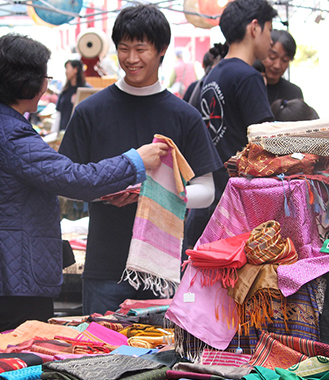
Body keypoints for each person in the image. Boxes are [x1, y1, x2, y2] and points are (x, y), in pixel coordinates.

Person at [0, 33, 169, 334]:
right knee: (19, 366)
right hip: (14, 283)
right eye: (45, 77)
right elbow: (77, 179)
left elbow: (12, 192)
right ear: (27, 83)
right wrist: (135, 160)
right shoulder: (14, 138)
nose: (46, 85)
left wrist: (105, 195)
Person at [59, 4, 221, 315]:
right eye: (124, 49)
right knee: (100, 357)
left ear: (161, 50)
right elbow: (67, 181)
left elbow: (207, 190)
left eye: (140, 49)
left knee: (160, 359)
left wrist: (148, 195)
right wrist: (106, 188)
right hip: (105, 267)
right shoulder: (90, 112)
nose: (131, 59)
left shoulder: (184, 116)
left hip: (164, 271)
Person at [186, 0, 277, 247]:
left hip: (210, 200)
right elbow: (265, 146)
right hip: (236, 208)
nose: (270, 40)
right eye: (269, 30)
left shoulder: (214, 73)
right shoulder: (248, 77)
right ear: (255, 27)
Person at [261, 29, 304, 104]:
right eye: (272, 57)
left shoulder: (293, 93)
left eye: (285, 60)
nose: (277, 65)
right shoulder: (249, 86)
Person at [54, 60, 88, 131]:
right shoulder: (64, 91)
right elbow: (59, 114)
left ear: (75, 69)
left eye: (67, 68)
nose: (66, 71)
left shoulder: (86, 91)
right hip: (64, 132)